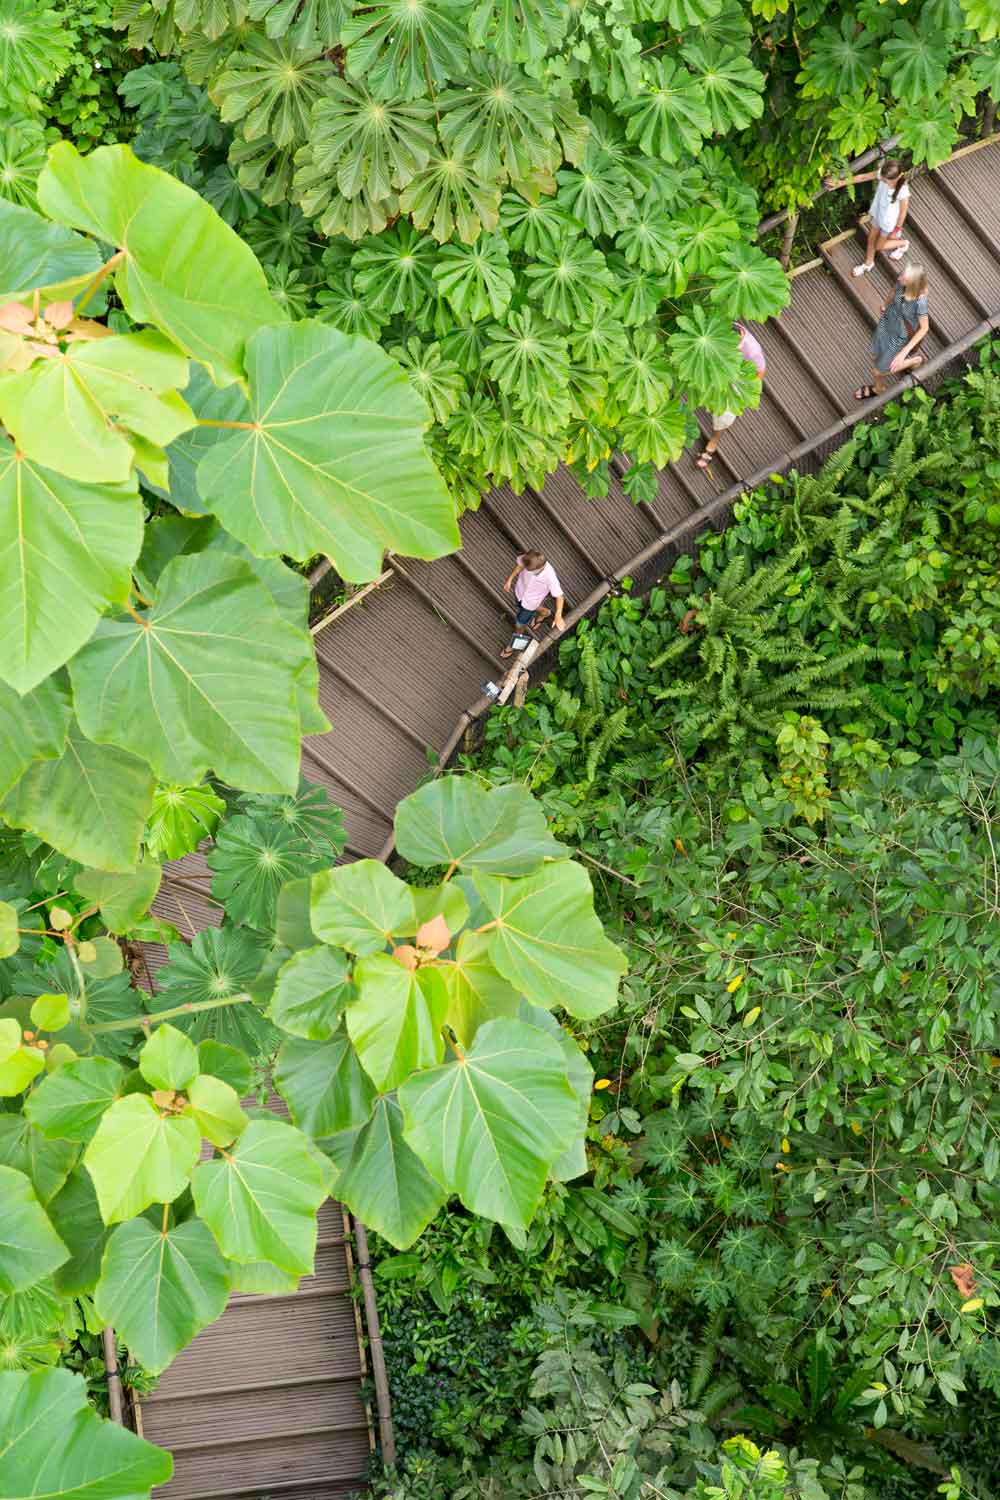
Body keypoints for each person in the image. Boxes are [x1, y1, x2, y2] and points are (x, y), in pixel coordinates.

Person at [824, 158, 910, 277]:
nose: (883, 182)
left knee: (878, 246)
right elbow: (863, 177)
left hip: (888, 223)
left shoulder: (903, 191)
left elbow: (903, 212)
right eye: (883, 180)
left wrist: (897, 229)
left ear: (896, 177)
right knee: (871, 238)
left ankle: (903, 243)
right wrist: (840, 183)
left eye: (886, 181)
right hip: (878, 213)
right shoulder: (883, 174)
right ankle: (868, 263)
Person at [696, 322, 766, 470]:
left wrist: (744, 390)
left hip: (738, 377)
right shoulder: (727, 326)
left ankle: (715, 439)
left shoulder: (752, 351)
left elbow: (760, 372)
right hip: (720, 367)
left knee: (725, 413)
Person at [855, 263, 929, 400]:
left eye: (904, 277)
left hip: (899, 335)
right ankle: (910, 362)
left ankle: (879, 388)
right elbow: (893, 291)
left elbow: (924, 328)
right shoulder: (901, 284)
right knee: (874, 354)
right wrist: (885, 305)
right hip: (887, 323)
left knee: (878, 371)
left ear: (912, 283)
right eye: (902, 274)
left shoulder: (920, 302)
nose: (899, 277)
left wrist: (903, 352)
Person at [502, 550, 565, 657]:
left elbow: (560, 596)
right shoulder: (530, 558)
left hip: (531, 603)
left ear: (539, 568)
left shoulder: (550, 577)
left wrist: (558, 616)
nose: (525, 570)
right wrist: (510, 579)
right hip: (520, 593)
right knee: (519, 606)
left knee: (519, 624)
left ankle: (513, 645)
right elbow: (520, 566)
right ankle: (545, 613)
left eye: (528, 569)